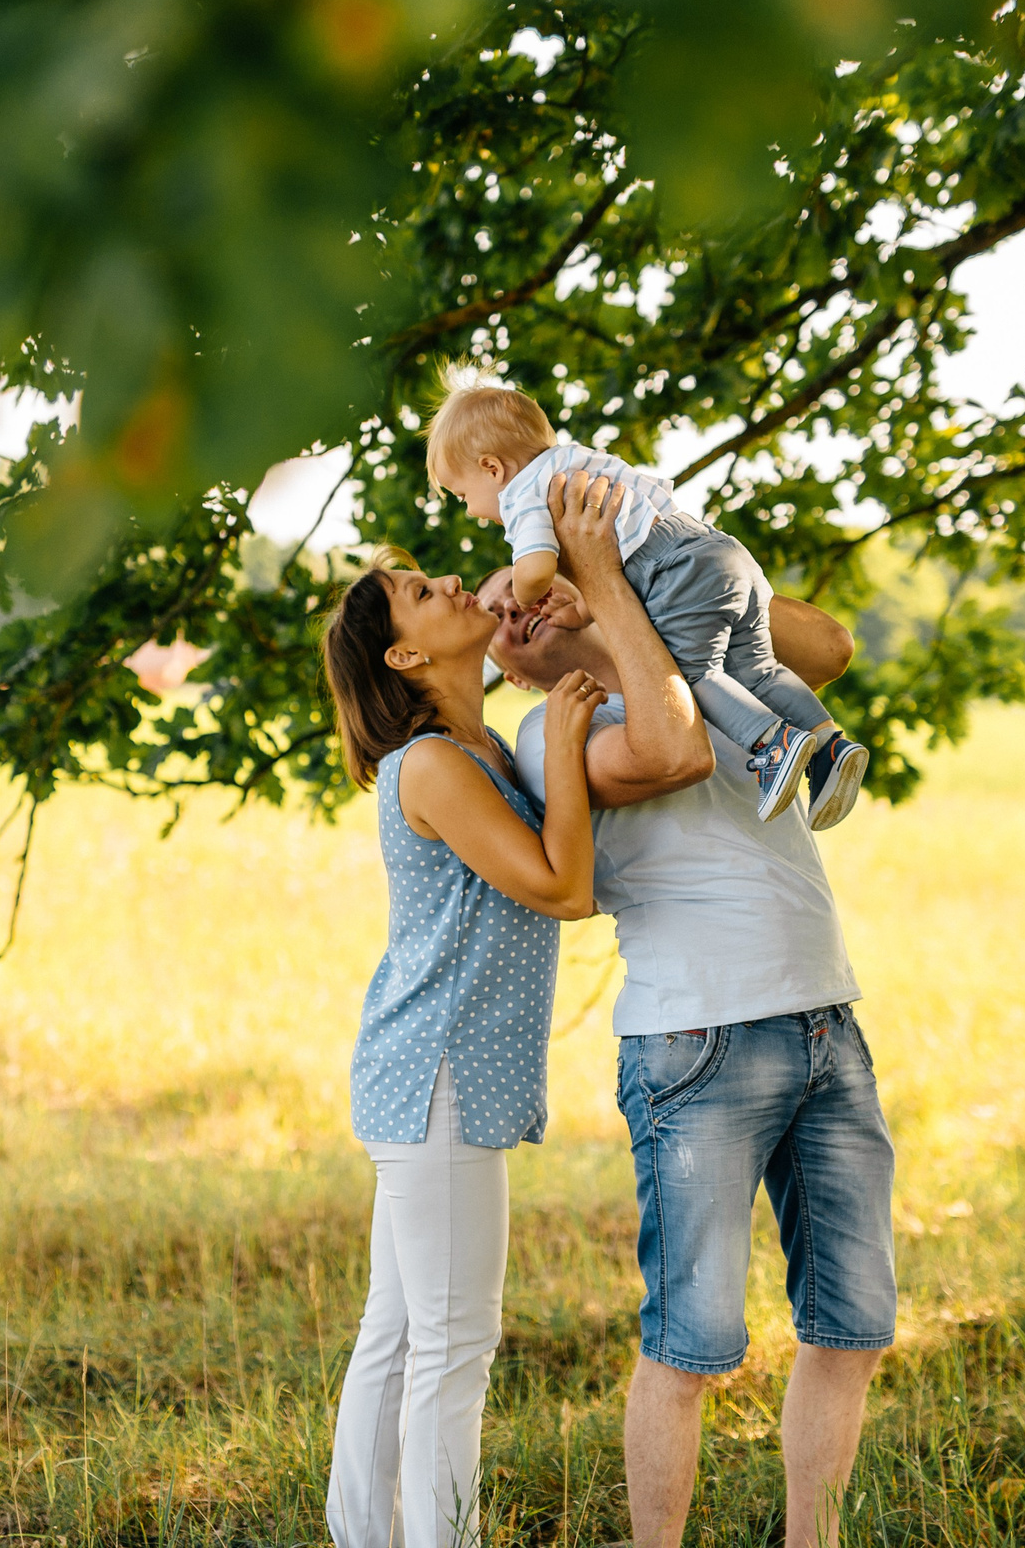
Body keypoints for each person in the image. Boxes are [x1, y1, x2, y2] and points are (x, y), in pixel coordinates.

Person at [319, 474, 714, 1548]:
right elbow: (560, 886)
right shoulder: (439, 763)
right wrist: (571, 738)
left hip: (429, 1074)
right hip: (438, 1077)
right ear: (405, 655)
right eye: (418, 590)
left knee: (401, 1334)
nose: (449, 577)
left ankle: (368, 1535)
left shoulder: (478, 751)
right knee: (450, 1341)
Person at [487, 556, 897, 1548]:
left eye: (524, 581)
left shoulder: (720, 666)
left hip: (826, 1025)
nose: (517, 605)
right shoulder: (551, 729)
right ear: (506, 663)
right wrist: (613, 609)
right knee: (692, 1346)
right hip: (697, 1044)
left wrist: (623, 574)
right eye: (498, 615)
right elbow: (672, 755)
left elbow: (830, 646)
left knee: (853, 1327)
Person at [425, 361, 870, 829]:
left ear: (492, 468)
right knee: (756, 669)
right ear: (512, 678)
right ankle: (829, 746)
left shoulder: (522, 495)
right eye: (496, 617)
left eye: (462, 496)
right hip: (716, 549)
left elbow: (534, 568)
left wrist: (536, 581)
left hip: (676, 573)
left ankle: (773, 744)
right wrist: (586, 601)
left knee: (698, 671)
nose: (513, 605)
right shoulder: (575, 460)